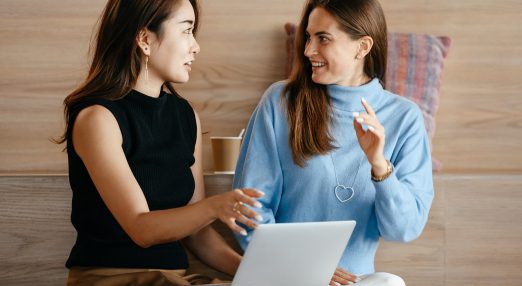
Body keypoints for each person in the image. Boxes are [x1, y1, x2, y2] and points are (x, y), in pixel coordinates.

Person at [55, 0, 263, 285]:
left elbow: (198, 235)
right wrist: (215, 207)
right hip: (112, 278)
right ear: (144, 39)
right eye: (186, 31)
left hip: (173, 278)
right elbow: (141, 229)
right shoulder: (98, 118)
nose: (196, 46)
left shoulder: (185, 115)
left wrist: (268, 275)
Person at [233, 0, 434, 285]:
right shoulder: (280, 102)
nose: (307, 50)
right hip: (285, 277)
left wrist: (379, 165)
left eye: (323, 38)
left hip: (356, 281)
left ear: (362, 47)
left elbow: (404, 229)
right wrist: (305, 269)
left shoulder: (405, 118)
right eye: (308, 37)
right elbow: (247, 211)